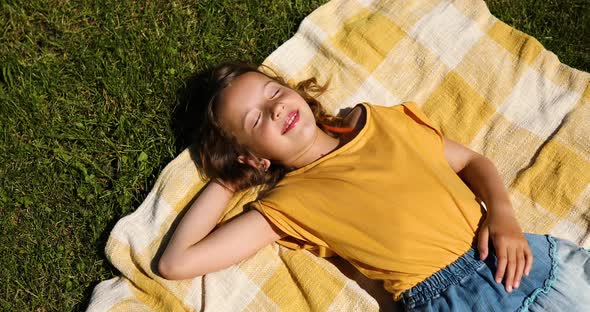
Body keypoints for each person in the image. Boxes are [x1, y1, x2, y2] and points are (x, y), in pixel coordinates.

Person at [157, 61, 590, 311]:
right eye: (255, 120)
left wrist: (503, 214)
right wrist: (232, 179)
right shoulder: (287, 206)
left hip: (522, 258)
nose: (274, 110)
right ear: (254, 157)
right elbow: (176, 263)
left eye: (273, 93)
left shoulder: (379, 121)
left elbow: (472, 161)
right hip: (450, 302)